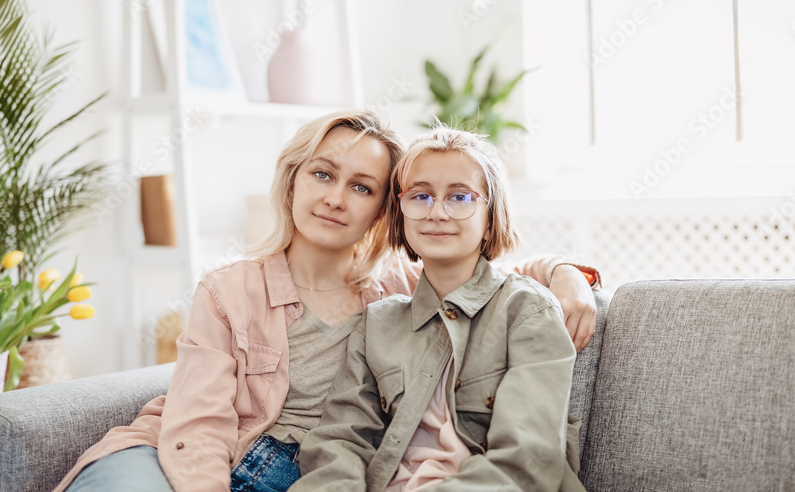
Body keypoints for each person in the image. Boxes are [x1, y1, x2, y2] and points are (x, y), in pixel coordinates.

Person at [55, 111, 598, 492]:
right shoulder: (229, 290)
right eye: (322, 174)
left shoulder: (394, 291)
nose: (337, 198)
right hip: (186, 452)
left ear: (384, 211)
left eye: (363, 187)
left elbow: (487, 271)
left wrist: (566, 273)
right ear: (294, 181)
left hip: (303, 470)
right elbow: (199, 425)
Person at [288, 127, 585, 491]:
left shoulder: (526, 311)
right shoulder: (377, 324)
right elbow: (339, 440)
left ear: (490, 219)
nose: (437, 212)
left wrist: (564, 270)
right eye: (421, 196)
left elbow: (526, 461)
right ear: (400, 214)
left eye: (460, 197)